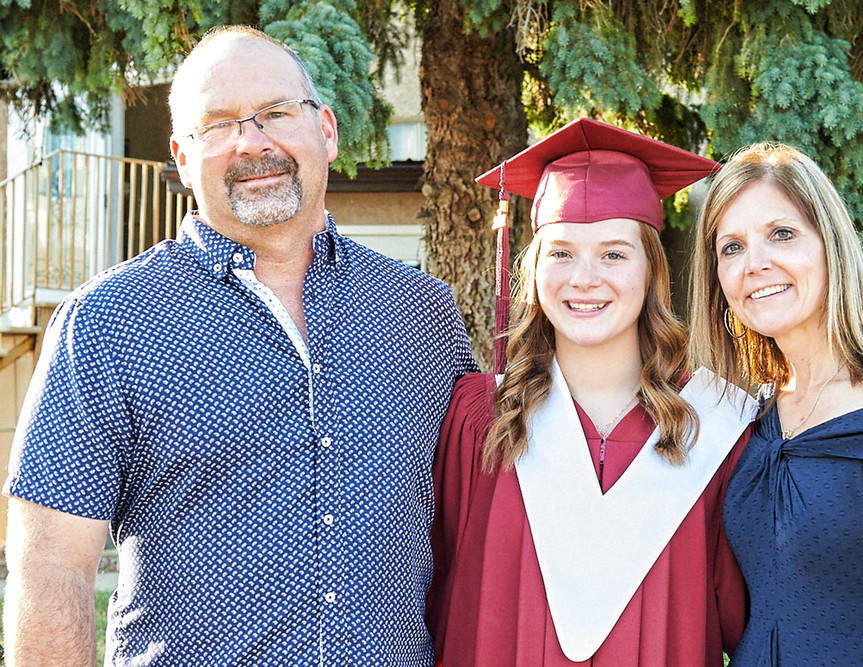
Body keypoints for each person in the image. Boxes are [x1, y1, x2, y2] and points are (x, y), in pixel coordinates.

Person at [3, 25, 476, 665]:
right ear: (181, 157)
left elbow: (478, 522)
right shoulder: (107, 323)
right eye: (218, 124)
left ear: (327, 130)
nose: (251, 141)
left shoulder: (420, 312)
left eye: (276, 112)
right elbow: (51, 567)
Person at [426, 117, 758, 666]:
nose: (584, 278)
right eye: (560, 252)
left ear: (652, 272)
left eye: (613, 254)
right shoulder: (481, 418)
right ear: (533, 270)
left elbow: (752, 622)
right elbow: (434, 595)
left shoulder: (716, 428)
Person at [688, 142, 863, 665]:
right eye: (732, 247)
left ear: (831, 246)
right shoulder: (758, 414)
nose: (755, 264)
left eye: (782, 234)